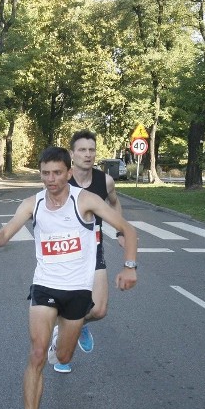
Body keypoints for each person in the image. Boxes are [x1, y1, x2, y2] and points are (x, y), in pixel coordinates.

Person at [0, 146, 138, 409]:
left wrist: (130, 267)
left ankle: (58, 344)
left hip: (78, 290)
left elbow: (127, 229)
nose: (51, 179)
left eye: (57, 173)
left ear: (68, 172)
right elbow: (4, 235)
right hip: (45, 285)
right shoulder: (32, 203)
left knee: (62, 358)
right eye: (45, 173)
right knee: (36, 354)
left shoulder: (85, 200)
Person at [65, 129, 124, 367]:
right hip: (65, 251)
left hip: (94, 248)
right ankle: (63, 356)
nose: (87, 155)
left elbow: (115, 202)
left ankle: (79, 325)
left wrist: (120, 230)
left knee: (99, 310)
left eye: (91, 150)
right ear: (72, 153)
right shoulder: (62, 179)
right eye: (82, 150)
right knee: (67, 305)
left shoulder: (104, 181)